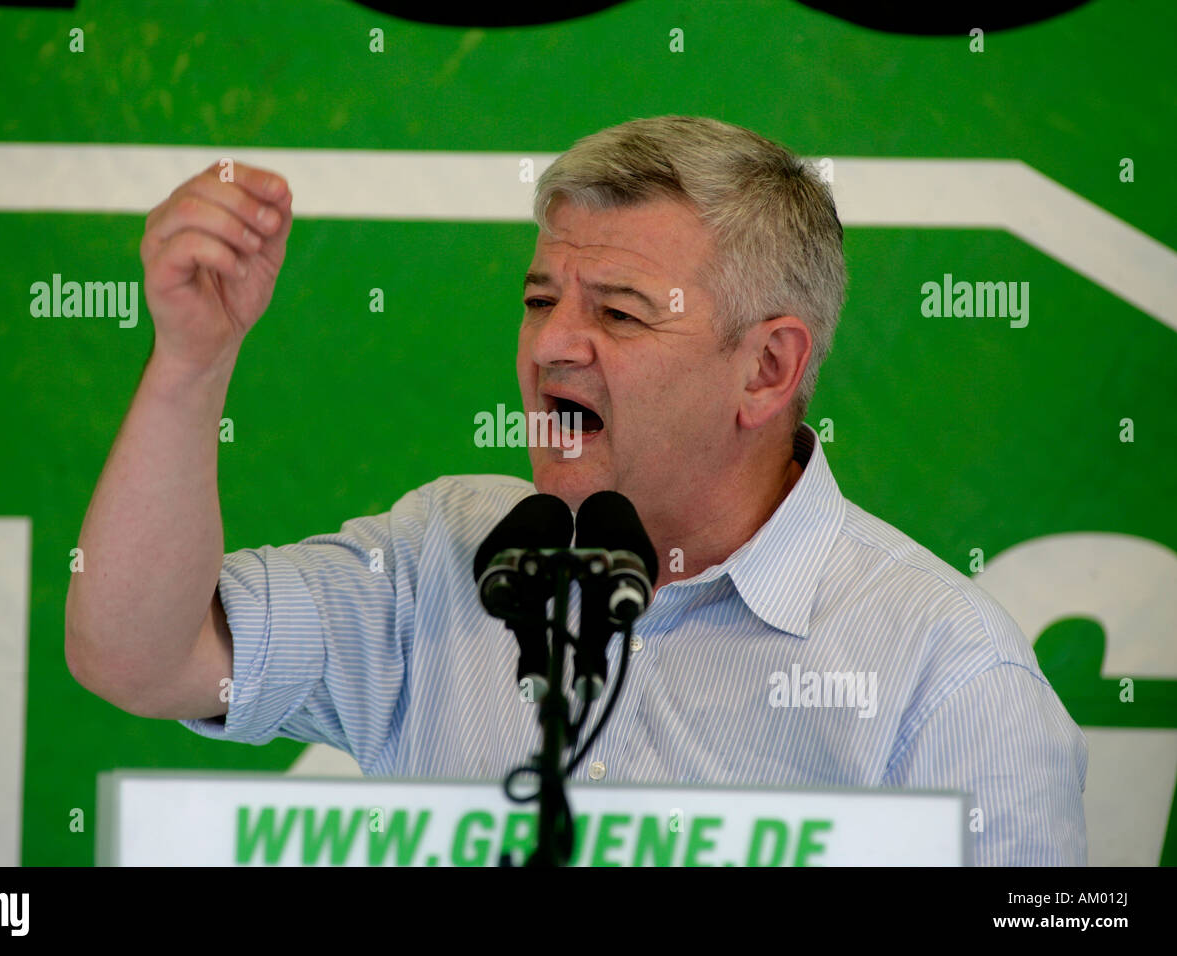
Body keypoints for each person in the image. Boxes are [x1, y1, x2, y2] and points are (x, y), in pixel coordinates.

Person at [65, 115, 1088, 865]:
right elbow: (137, 655)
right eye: (540, 298)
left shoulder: (947, 676)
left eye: (620, 313)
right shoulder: (449, 555)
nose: (552, 344)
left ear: (767, 369)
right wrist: (193, 360)